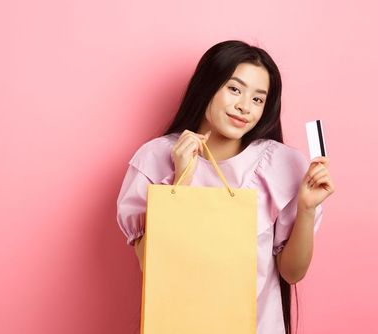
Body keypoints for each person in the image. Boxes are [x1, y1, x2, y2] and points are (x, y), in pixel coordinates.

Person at [116, 40, 335, 334]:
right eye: (234, 89)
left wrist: (307, 209)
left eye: (258, 99)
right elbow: (151, 266)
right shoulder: (155, 158)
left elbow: (292, 273)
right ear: (207, 85)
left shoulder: (281, 165)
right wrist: (181, 182)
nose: (245, 106)